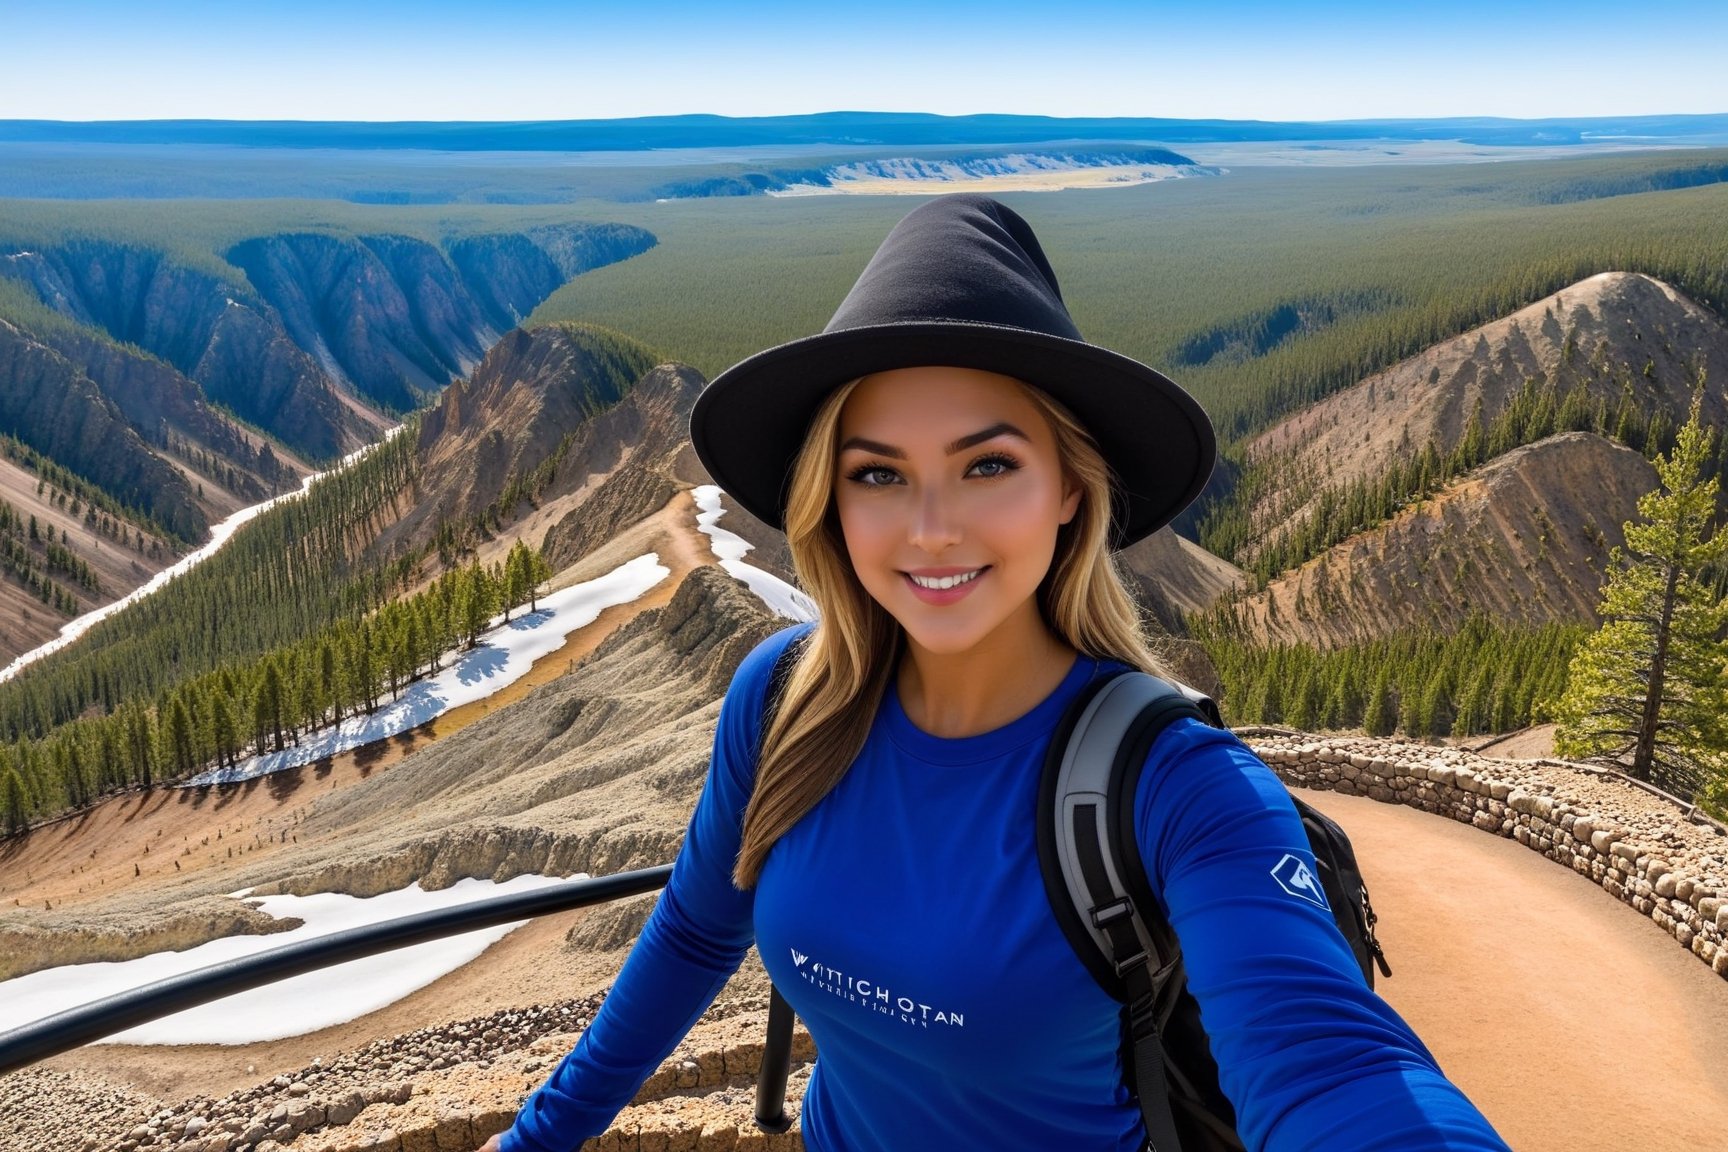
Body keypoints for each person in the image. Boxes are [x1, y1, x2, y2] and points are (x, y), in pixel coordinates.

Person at [481, 195, 1509, 1151]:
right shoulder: (784, 698)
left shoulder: (1179, 788)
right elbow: (699, 929)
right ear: (828, 503)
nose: (932, 530)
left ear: (1070, 488)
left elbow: (1331, 1069)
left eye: (988, 465)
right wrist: (538, 1139)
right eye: (877, 473)